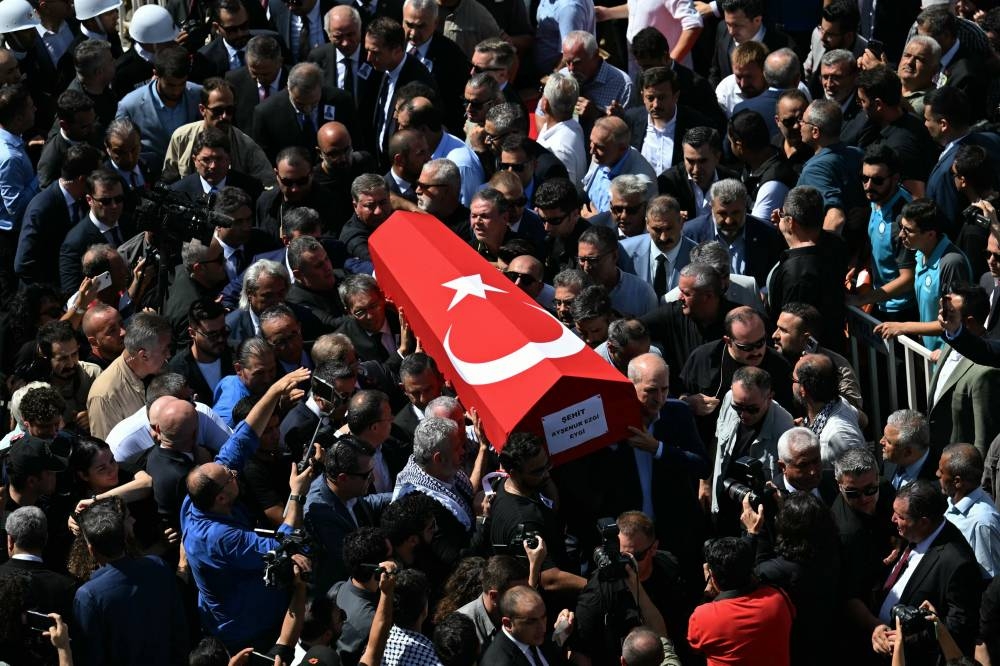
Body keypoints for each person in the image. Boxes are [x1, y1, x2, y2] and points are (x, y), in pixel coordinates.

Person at [181, 367, 315, 650]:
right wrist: (297, 493)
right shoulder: (217, 538)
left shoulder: (200, 493)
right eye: (228, 476)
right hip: (248, 630)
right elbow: (284, 541)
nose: (233, 473)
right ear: (220, 498)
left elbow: (242, 438)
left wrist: (274, 390)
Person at [871, 480, 982, 665]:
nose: (893, 519)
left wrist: (899, 641)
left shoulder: (957, 563)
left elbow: (957, 628)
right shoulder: (912, 533)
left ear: (923, 522)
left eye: (900, 516)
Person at [72, 498, 188, 665]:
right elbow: (179, 631)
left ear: (91, 550)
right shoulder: (157, 566)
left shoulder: (88, 596)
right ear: (125, 537)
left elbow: (91, 655)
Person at [874, 198, 972, 351]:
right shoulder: (920, 253)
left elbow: (952, 322)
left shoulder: (951, 264)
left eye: (908, 230)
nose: (901, 235)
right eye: (901, 227)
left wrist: (904, 327)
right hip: (927, 353)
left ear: (931, 234)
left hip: (944, 358)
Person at [708, 365, 794, 533]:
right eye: (737, 407)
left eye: (752, 409)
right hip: (722, 503)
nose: (744, 414)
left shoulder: (783, 428)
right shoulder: (729, 399)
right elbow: (717, 441)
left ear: (769, 398)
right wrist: (706, 481)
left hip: (755, 520)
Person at [687, 536, 794, 666]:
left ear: (713, 577)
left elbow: (694, 647)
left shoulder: (702, 616)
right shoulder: (778, 598)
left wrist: (708, 595)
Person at [927, 283, 1000, 455]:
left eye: (952, 313)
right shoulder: (950, 341)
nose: (946, 316)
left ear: (969, 322)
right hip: (936, 455)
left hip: (960, 467)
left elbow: (984, 438)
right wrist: (954, 331)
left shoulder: (986, 372)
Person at [683, 177, 784, 289]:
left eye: (735, 213)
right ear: (711, 206)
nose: (729, 221)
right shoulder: (690, 234)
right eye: (722, 213)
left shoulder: (768, 234)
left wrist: (764, 292)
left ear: (745, 207)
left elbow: (777, 276)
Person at [114, 46, 202, 171]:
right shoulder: (130, 105)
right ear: (156, 74)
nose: (176, 91)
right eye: (170, 85)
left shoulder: (198, 94)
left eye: (182, 84)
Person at [86, 313, 172, 440]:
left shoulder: (163, 368)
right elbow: (106, 453)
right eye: (164, 350)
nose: (169, 355)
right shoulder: (105, 397)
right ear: (143, 356)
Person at [796, 98, 865, 233]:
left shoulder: (815, 170)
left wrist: (821, 252)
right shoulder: (857, 154)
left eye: (803, 121)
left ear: (815, 131)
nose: (799, 125)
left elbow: (836, 218)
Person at [937, 443, 1000, 580]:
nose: (937, 474)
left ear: (957, 482)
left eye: (941, 472)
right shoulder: (952, 500)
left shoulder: (982, 523)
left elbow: (990, 581)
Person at [792, 353, 865, 467]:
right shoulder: (839, 402)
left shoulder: (840, 437)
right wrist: (806, 429)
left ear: (803, 390)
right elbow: (864, 420)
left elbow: (858, 479)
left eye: (794, 380)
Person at [619, 195, 695, 301]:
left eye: (669, 228)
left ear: (681, 222)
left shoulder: (698, 257)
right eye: (657, 230)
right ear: (647, 224)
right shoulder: (624, 251)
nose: (663, 237)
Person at [657, 126, 739, 222]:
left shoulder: (732, 180)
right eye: (690, 161)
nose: (696, 170)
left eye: (702, 161)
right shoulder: (668, 182)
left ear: (717, 157)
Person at [582, 116, 657, 215]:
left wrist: (595, 221)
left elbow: (630, 225)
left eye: (600, 147)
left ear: (622, 148)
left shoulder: (641, 184)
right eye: (591, 142)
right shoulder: (601, 156)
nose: (592, 151)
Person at [479, 586, 570, 665]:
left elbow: (551, 647)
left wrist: (563, 627)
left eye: (543, 617)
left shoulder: (531, 638)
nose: (542, 627)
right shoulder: (500, 662)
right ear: (508, 624)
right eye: (531, 621)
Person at [535, 72, 587, 187]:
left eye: (542, 93)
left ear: (545, 104)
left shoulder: (559, 149)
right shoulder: (572, 126)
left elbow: (563, 193)